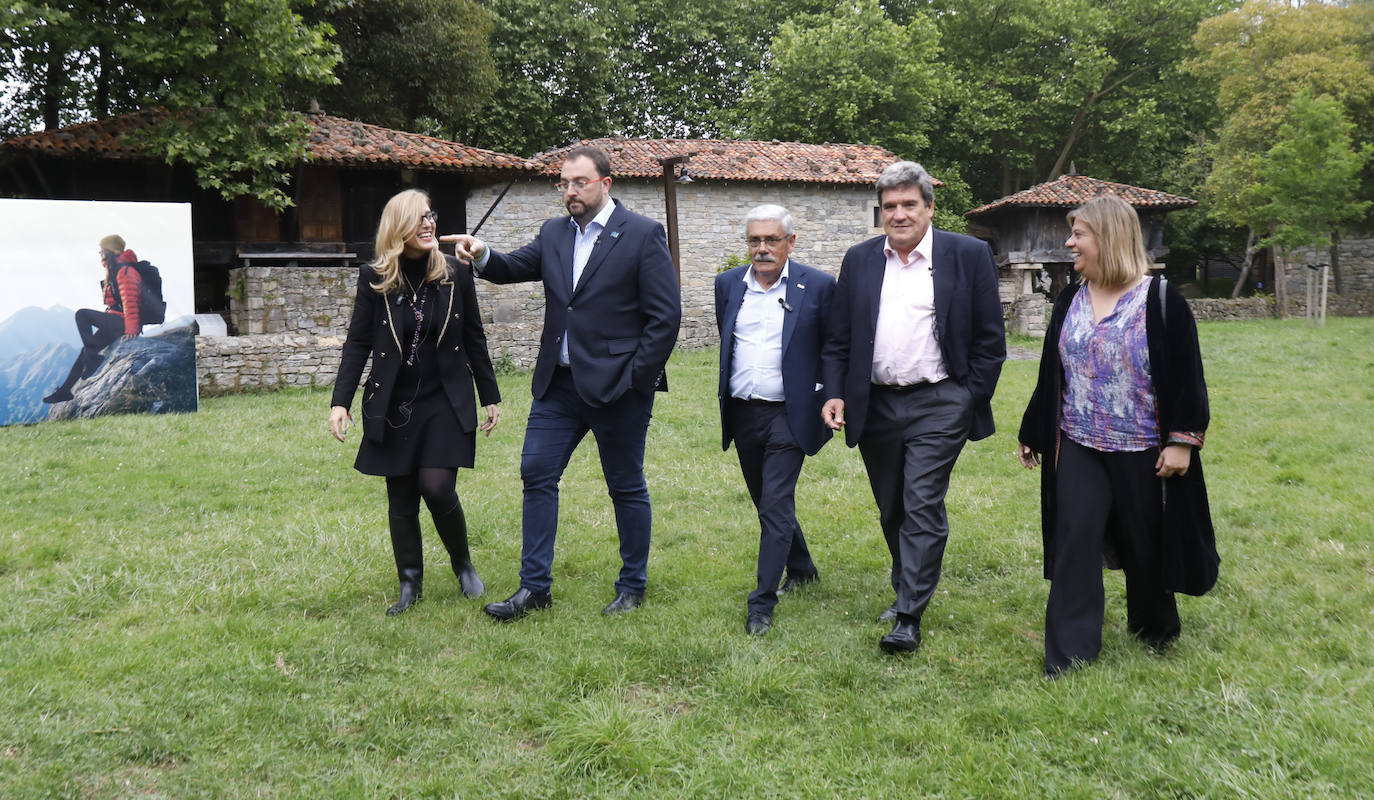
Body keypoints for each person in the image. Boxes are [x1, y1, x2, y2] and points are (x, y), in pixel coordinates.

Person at [445, 145, 682, 621]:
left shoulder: (641, 234)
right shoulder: (555, 233)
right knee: (536, 473)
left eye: (580, 182)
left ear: (605, 184)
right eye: (565, 183)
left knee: (625, 485)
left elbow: (665, 317)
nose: (570, 191)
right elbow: (515, 267)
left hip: (618, 388)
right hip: (558, 385)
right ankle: (535, 589)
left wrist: (636, 380)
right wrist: (483, 252)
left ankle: (632, 585)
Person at [1016, 194, 1217, 678]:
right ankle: (1069, 652)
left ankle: (1154, 627)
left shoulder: (1162, 301)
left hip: (1143, 446)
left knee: (1144, 542)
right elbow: (1054, 373)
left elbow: (1187, 376)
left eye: (1078, 234)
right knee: (1075, 542)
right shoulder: (1069, 299)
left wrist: (1182, 440)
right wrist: (1034, 429)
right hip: (1079, 442)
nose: (1069, 242)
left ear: (1108, 238)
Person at [820, 161, 1006, 655]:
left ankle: (907, 614)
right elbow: (838, 339)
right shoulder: (859, 260)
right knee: (892, 507)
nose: (899, 215)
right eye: (890, 207)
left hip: (941, 401)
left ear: (928, 206)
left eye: (909, 205)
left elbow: (991, 338)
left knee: (922, 502)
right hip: (875, 403)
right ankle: (909, 583)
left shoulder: (967, 255)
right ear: (880, 212)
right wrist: (836, 392)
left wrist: (969, 398)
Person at [329, 189, 501, 615]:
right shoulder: (374, 277)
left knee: (436, 485)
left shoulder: (457, 273)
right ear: (398, 227)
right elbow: (358, 342)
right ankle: (410, 584)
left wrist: (490, 395)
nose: (429, 225)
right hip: (393, 401)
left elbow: (474, 336)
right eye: (419, 219)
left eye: (431, 216)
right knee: (401, 495)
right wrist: (340, 401)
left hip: (445, 396)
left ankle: (463, 566)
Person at [715, 204, 835, 636]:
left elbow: (833, 347)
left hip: (791, 413)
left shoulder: (818, 286)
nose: (762, 249)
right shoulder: (728, 285)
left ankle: (761, 603)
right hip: (744, 411)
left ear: (791, 242)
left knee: (774, 503)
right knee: (766, 500)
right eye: (754, 240)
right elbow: (727, 339)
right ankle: (801, 568)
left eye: (771, 240)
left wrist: (832, 395)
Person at [43, 234, 144, 403]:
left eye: (102, 251)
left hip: (122, 322)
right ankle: (66, 390)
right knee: (85, 352)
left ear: (111, 250)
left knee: (82, 314)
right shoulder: (115, 270)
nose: (100, 254)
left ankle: (92, 358)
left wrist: (131, 330)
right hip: (116, 321)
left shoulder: (126, 271)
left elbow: (131, 301)